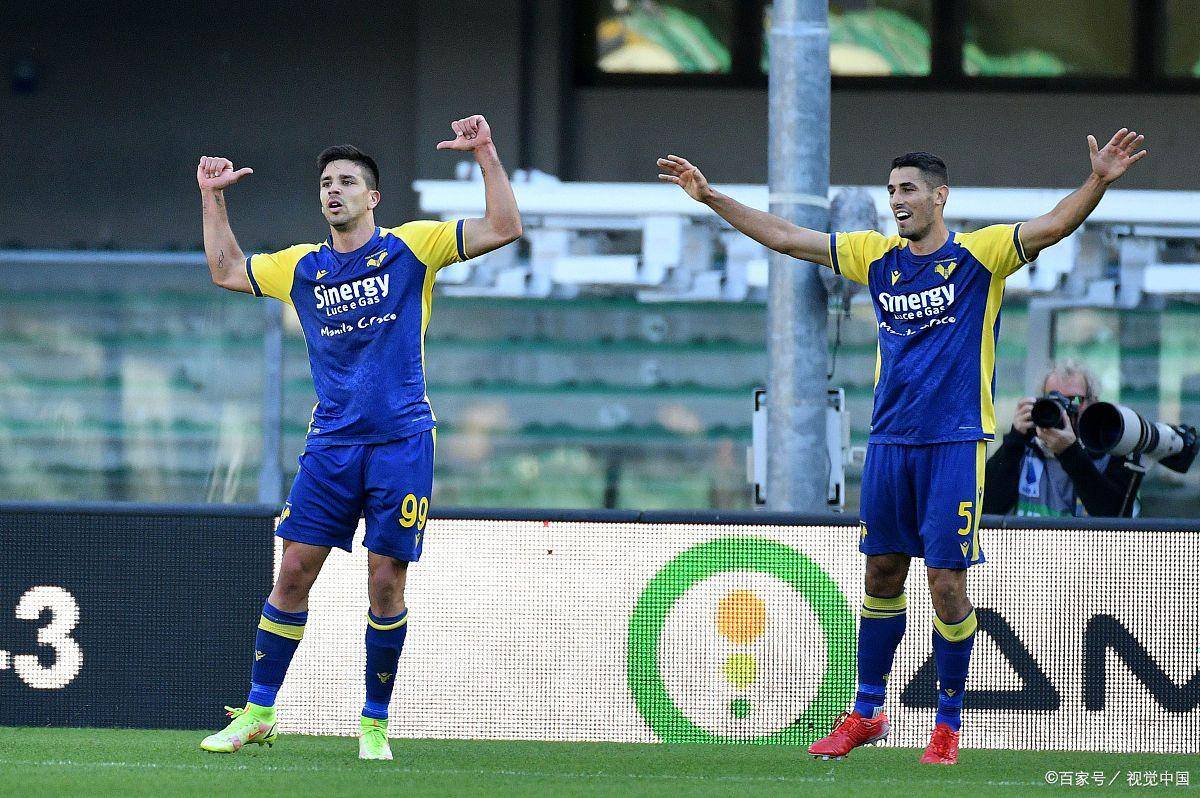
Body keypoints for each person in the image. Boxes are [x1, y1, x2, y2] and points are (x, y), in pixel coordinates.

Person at [657, 128, 1147, 764]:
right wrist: (710, 197)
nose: (896, 200)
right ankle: (866, 712)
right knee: (881, 572)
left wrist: (1098, 181)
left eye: (908, 189)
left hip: (955, 444)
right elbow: (787, 237)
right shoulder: (875, 255)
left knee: (945, 582)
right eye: (891, 190)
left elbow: (1054, 225)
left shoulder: (980, 255)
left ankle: (947, 724)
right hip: (889, 442)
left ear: (940, 196)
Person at [195, 115, 522, 760]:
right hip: (331, 447)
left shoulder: (413, 247)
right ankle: (258, 712)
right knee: (293, 570)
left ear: (373, 197)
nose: (333, 190)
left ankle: (374, 721)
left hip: (402, 442)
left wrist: (486, 153)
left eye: (346, 181)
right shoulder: (302, 267)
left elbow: (505, 227)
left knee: (385, 580)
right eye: (325, 183)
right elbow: (227, 270)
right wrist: (213, 197)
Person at [984, 361, 1138, 517]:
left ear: (1093, 402)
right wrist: (1014, 441)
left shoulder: (1108, 449)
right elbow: (987, 507)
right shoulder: (1025, 446)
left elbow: (1115, 516)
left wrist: (1070, 453)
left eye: (1074, 400)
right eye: (1054, 400)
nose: (1063, 408)